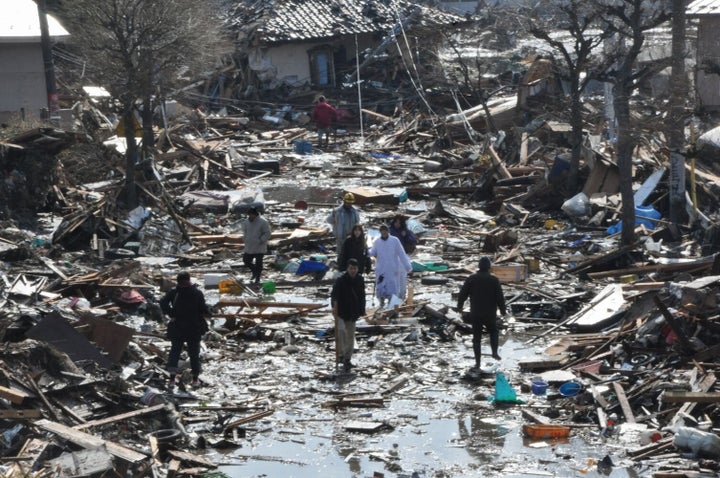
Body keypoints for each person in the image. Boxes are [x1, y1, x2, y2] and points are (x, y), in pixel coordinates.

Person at [160, 271, 211, 388]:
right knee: (194, 353)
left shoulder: (174, 292)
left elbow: (163, 302)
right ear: (189, 280)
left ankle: (172, 380)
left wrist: (171, 313)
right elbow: (203, 309)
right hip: (194, 327)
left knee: (175, 352)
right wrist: (209, 312)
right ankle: (195, 380)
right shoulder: (197, 293)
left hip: (177, 327)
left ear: (178, 281)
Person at [456, 257, 507, 368]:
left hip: (476, 313)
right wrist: (503, 310)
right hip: (490, 313)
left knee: (477, 338)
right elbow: (500, 297)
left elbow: (462, 294)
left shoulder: (472, 278)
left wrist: (459, 307)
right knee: (493, 331)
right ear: (489, 267)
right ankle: (494, 352)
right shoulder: (494, 280)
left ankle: (478, 362)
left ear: (479, 266)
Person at [331, 258, 365, 372]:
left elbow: (362, 296)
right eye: (351, 268)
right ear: (347, 268)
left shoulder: (360, 280)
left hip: (352, 312)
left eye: (355, 268)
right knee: (341, 333)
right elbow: (334, 295)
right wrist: (334, 308)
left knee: (350, 336)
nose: (353, 271)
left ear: (357, 269)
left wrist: (361, 310)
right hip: (340, 312)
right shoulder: (341, 280)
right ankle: (340, 355)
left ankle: (347, 359)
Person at [369, 224, 412, 306]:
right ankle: (381, 303)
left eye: (385, 231)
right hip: (381, 269)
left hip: (392, 269)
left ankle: (392, 305)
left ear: (388, 231)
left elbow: (401, 253)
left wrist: (407, 266)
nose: (384, 233)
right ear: (380, 232)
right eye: (382, 231)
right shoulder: (377, 241)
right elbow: (373, 252)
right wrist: (366, 252)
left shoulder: (394, 240)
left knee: (392, 288)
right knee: (381, 287)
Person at [242, 207, 271, 284]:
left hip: (259, 246)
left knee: (259, 263)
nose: (250, 217)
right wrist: (245, 239)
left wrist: (261, 240)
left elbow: (267, 233)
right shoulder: (246, 222)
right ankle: (254, 271)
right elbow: (244, 231)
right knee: (246, 260)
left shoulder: (263, 222)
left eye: (251, 215)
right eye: (249, 215)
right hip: (249, 245)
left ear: (255, 214)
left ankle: (257, 277)